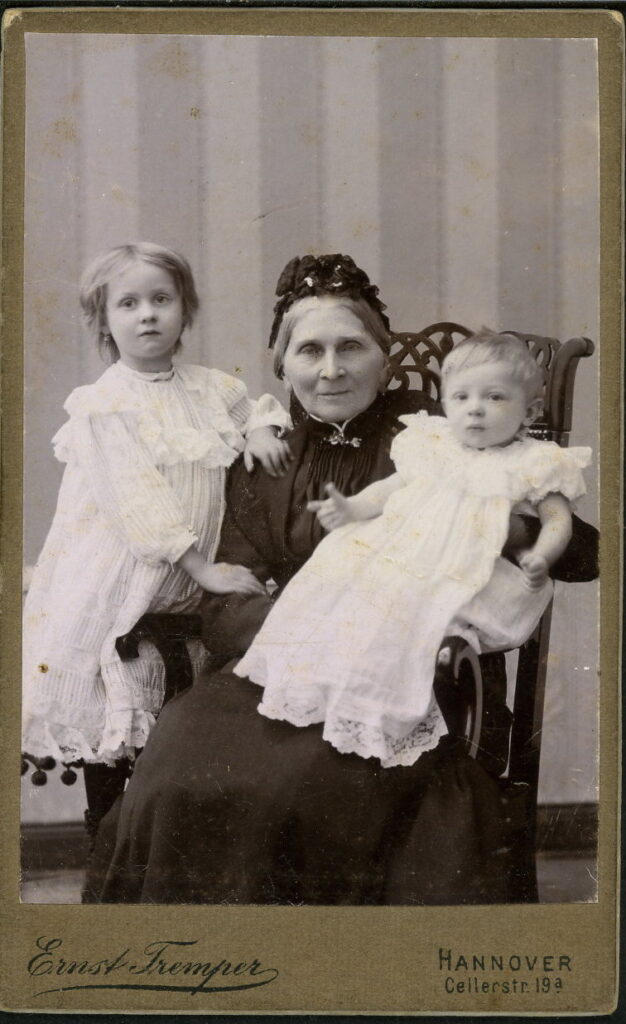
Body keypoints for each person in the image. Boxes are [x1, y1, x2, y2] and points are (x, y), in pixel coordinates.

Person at [85, 254, 598, 905]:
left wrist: (503, 527)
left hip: (411, 677)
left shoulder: (440, 435)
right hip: (274, 668)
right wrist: (313, 625)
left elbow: (585, 554)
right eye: (310, 350)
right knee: (178, 775)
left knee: (293, 787)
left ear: (383, 356)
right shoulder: (264, 460)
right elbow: (225, 608)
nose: (331, 369)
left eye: (351, 347)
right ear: (283, 364)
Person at [22, 242, 291, 833]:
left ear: (184, 310)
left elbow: (258, 408)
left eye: (161, 299)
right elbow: (138, 502)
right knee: (120, 731)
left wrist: (262, 430)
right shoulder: (103, 406)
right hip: (120, 587)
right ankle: (107, 850)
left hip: (184, 593)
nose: (147, 314)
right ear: (104, 320)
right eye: (128, 303)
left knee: (180, 742)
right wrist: (202, 568)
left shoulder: (211, 389)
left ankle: (167, 853)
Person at [236, 330, 591, 767]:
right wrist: (352, 507)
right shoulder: (434, 445)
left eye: (495, 397)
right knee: (350, 591)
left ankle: (394, 708)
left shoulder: (535, 460)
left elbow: (558, 520)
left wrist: (542, 554)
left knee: (421, 620)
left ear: (530, 412)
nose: (475, 408)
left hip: (469, 570)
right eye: (461, 397)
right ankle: (338, 693)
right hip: (406, 561)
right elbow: (389, 489)